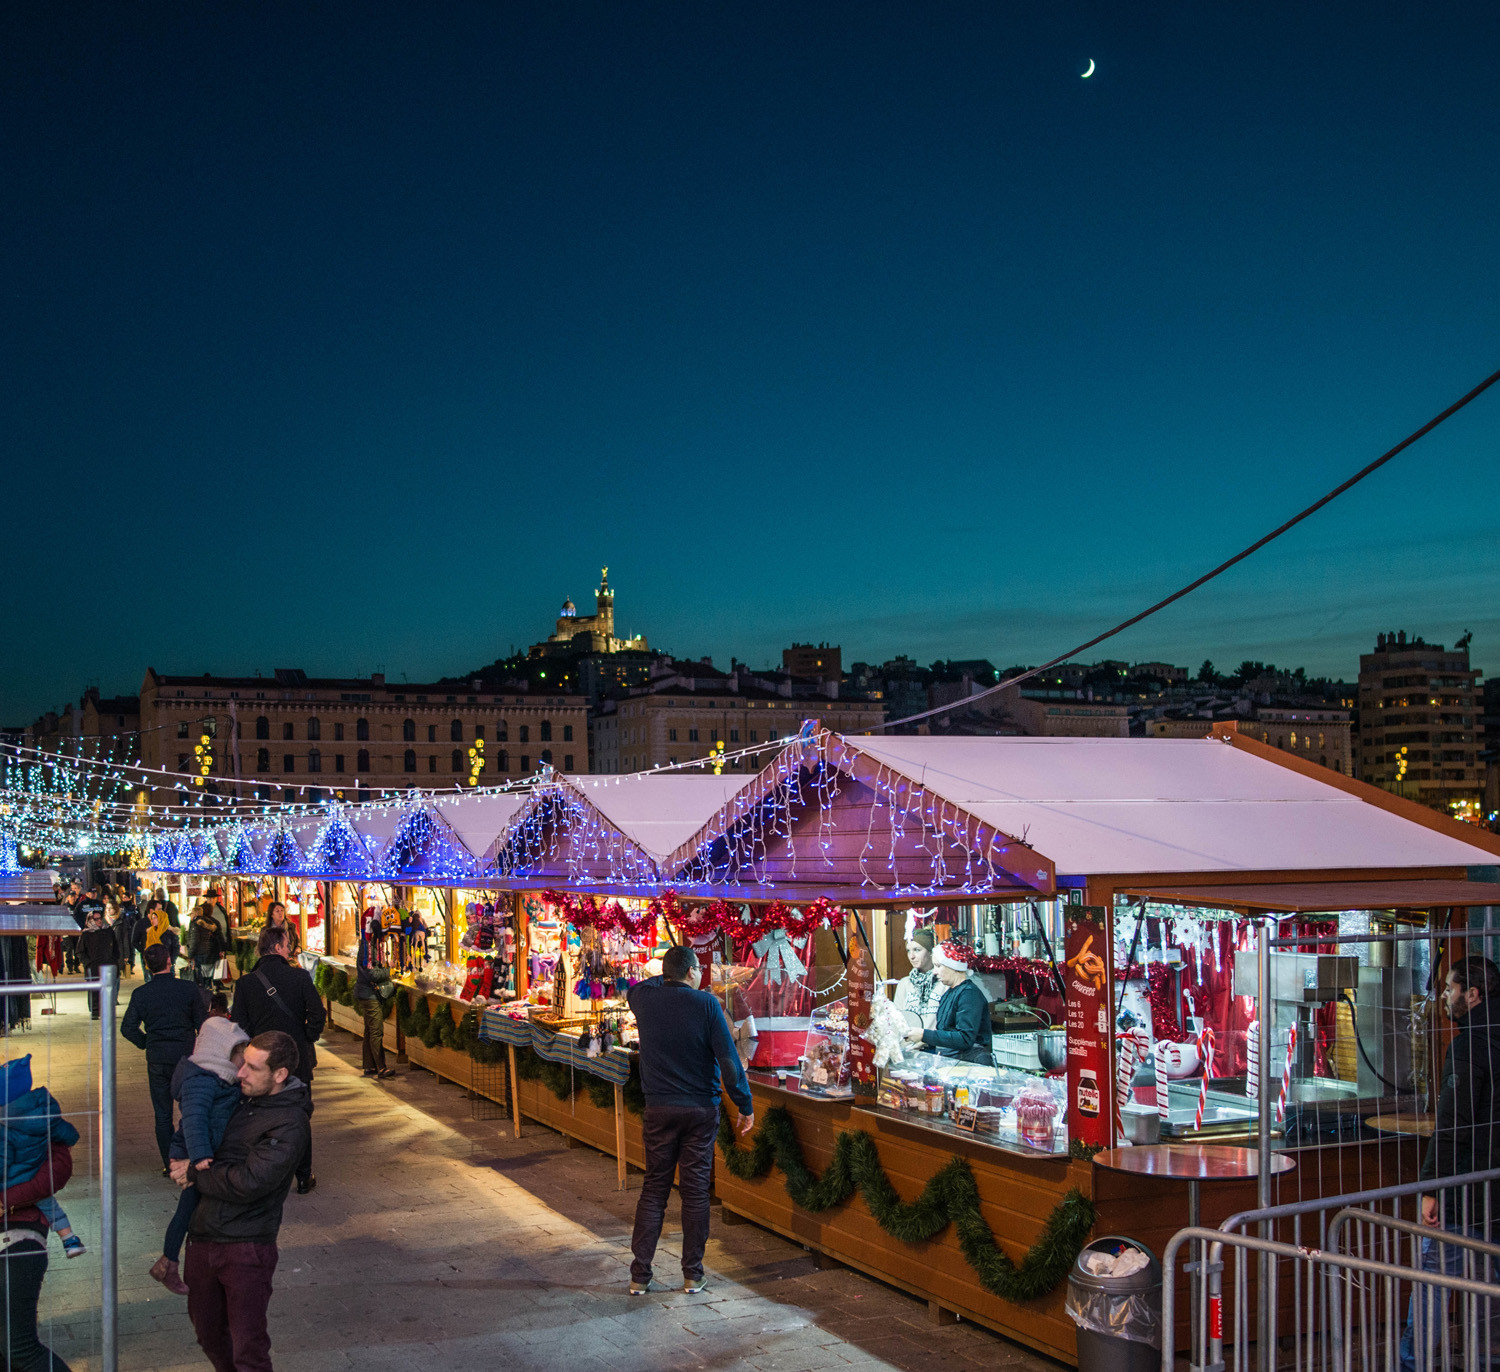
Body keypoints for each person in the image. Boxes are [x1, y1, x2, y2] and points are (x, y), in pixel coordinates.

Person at [176, 1030, 311, 1372]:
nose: (240, 1073)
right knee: (207, 1334)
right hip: (204, 1236)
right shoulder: (238, 1097)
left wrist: (195, 1173)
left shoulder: (290, 1122)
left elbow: (251, 1182)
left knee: (247, 1346)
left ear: (279, 1075)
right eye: (243, 1063)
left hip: (246, 1246)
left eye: (253, 1068)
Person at [626, 944, 754, 1295]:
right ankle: (692, 1274)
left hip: (659, 1109)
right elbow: (728, 1061)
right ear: (693, 971)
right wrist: (744, 1103)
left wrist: (668, 976)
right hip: (699, 1110)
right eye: (698, 970)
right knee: (696, 1192)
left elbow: (636, 988)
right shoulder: (707, 1004)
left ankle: (640, 1276)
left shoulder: (645, 1000)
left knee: (654, 1190)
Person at [1401, 955, 1500, 1372]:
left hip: (1466, 1187)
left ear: (1472, 995)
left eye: (1449, 988)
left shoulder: (1468, 1045)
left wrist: (1430, 1187)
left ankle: (1413, 1363)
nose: (1443, 996)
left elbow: (1453, 1122)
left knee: (1433, 1278)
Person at [151, 1018, 250, 1296]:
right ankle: (170, 1262)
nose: (243, 1060)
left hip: (202, 1152)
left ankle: (168, 1263)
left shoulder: (218, 1079)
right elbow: (193, 1120)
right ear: (222, 1051)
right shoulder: (202, 1080)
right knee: (190, 1210)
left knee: (188, 1210)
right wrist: (200, 1157)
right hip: (194, 1153)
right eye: (240, 1053)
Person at [232, 926, 324, 1194]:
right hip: (296, 1058)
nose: (290, 949)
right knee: (299, 1114)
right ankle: (304, 1175)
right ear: (277, 948)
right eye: (287, 945)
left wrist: (255, 1046)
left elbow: (239, 1025)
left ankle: (264, 1171)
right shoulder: (300, 977)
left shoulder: (247, 983)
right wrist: (306, 1037)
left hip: (261, 1061)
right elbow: (317, 1014)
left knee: (260, 1112)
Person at [121, 943, 208, 1173]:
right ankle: (193, 1155)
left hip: (157, 1058)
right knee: (191, 1108)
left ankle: (170, 1163)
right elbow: (203, 1024)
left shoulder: (141, 994)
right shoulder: (188, 989)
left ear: (148, 967)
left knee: (162, 1114)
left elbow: (127, 1027)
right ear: (170, 962)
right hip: (185, 1057)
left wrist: (146, 1042)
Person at [0, 1119, 76, 1371]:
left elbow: (58, 1168)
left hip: (17, 1237)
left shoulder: (26, 1108)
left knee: (20, 1349)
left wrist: (5, 1200)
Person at [2, 1054, 85, 1261]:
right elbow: (68, 1133)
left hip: (14, 1179)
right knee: (50, 1206)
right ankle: (70, 1239)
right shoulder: (44, 1109)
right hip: (36, 1169)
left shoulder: (5, 1127)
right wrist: (71, 1140)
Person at [903, 938, 993, 1064]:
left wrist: (925, 1035)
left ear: (954, 966)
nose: (934, 972)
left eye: (939, 966)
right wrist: (928, 1043)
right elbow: (947, 1033)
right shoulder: (949, 993)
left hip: (971, 1066)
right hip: (953, 1063)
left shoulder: (969, 994)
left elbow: (965, 1038)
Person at [354, 921, 396, 1079]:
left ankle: (369, 1065)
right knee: (376, 1031)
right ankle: (381, 1067)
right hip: (369, 995)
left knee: (369, 1030)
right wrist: (389, 969)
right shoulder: (368, 948)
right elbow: (372, 974)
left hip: (366, 993)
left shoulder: (369, 945)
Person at [892, 927, 946, 1030]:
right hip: (910, 1044)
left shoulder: (943, 982)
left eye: (917, 950)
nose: (911, 956)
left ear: (931, 952)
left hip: (936, 1043)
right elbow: (897, 1021)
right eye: (908, 951)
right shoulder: (905, 983)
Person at [77, 907, 119, 1020]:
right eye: (96, 919)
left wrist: (115, 961)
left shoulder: (108, 931)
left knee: (107, 989)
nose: (99, 921)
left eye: (100, 918)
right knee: (95, 990)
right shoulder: (86, 934)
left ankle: (107, 1010)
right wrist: (88, 963)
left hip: (107, 965)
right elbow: (80, 952)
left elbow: (115, 948)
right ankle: (95, 1011)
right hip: (93, 967)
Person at [188, 904, 228, 988]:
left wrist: (190, 955)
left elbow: (194, 941)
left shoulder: (195, 924)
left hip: (199, 953)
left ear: (195, 914)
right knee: (207, 976)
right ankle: (209, 990)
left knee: (200, 977)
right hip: (209, 952)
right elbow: (219, 936)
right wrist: (222, 949)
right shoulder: (211, 923)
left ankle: (203, 994)